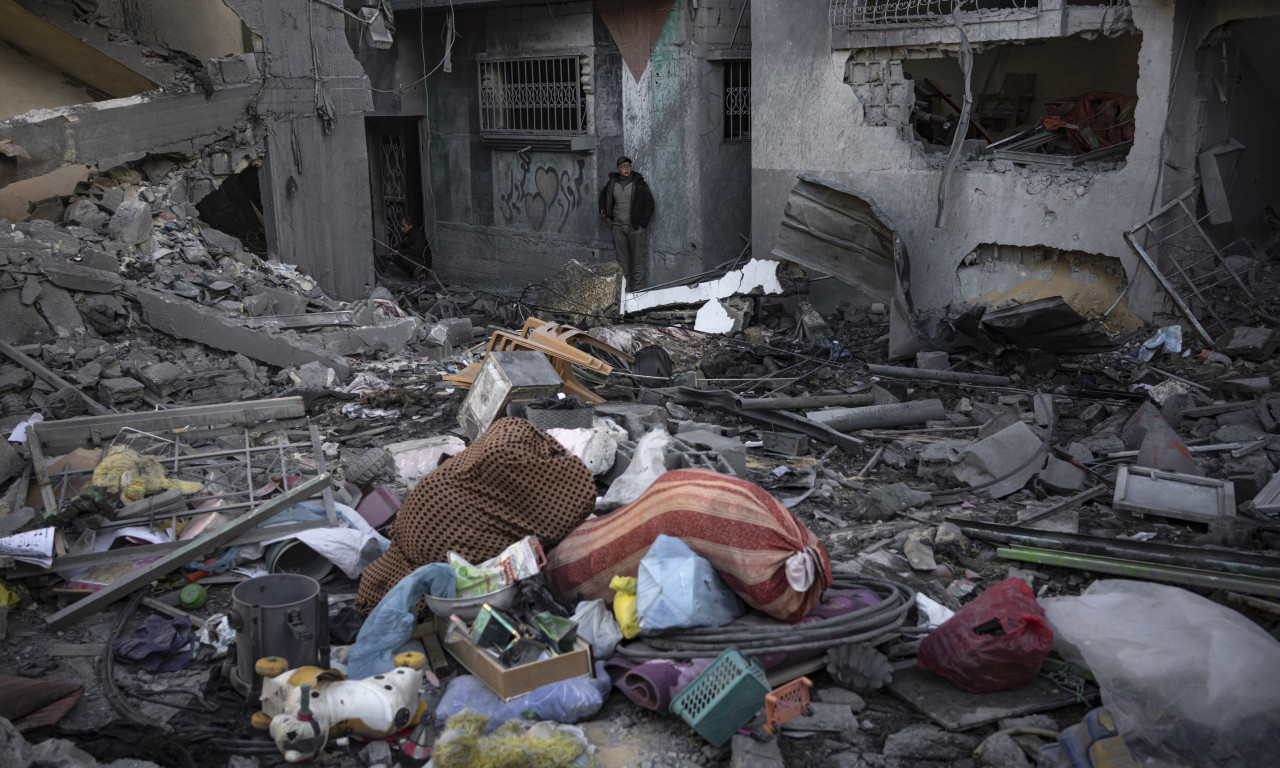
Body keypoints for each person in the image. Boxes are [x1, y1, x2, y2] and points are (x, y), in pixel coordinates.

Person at [598, 155, 654, 289]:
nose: (626, 169)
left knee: (638, 262)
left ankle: (639, 293)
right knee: (622, 264)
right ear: (618, 169)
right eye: (623, 167)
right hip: (618, 227)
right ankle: (625, 293)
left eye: (628, 166)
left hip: (635, 228)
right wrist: (604, 212)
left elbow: (650, 204)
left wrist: (641, 223)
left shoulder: (639, 183)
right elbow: (603, 197)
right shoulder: (612, 183)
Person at [392, 215, 431, 280]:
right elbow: (403, 245)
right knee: (396, 256)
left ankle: (421, 273)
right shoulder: (408, 234)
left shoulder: (417, 235)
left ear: (410, 226)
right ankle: (411, 275)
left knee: (405, 258)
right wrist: (395, 250)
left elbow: (415, 251)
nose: (402, 229)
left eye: (404, 226)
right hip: (415, 257)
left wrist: (400, 252)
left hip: (423, 262)